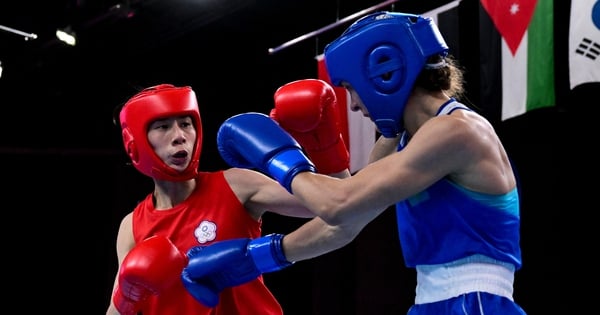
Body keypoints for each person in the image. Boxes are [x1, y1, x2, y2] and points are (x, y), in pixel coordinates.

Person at [181, 11, 527, 314]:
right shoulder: (400, 141)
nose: (355, 106)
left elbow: (338, 204)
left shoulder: (457, 132)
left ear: (383, 72)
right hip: (430, 302)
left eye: (350, 88)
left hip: (476, 303)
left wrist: (276, 156)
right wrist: (256, 256)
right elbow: (345, 220)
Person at [105, 82, 351, 315]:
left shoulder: (235, 184)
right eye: (163, 126)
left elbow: (337, 204)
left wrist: (325, 146)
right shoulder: (132, 226)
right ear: (135, 142)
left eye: (186, 124)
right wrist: (126, 299)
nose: (179, 135)